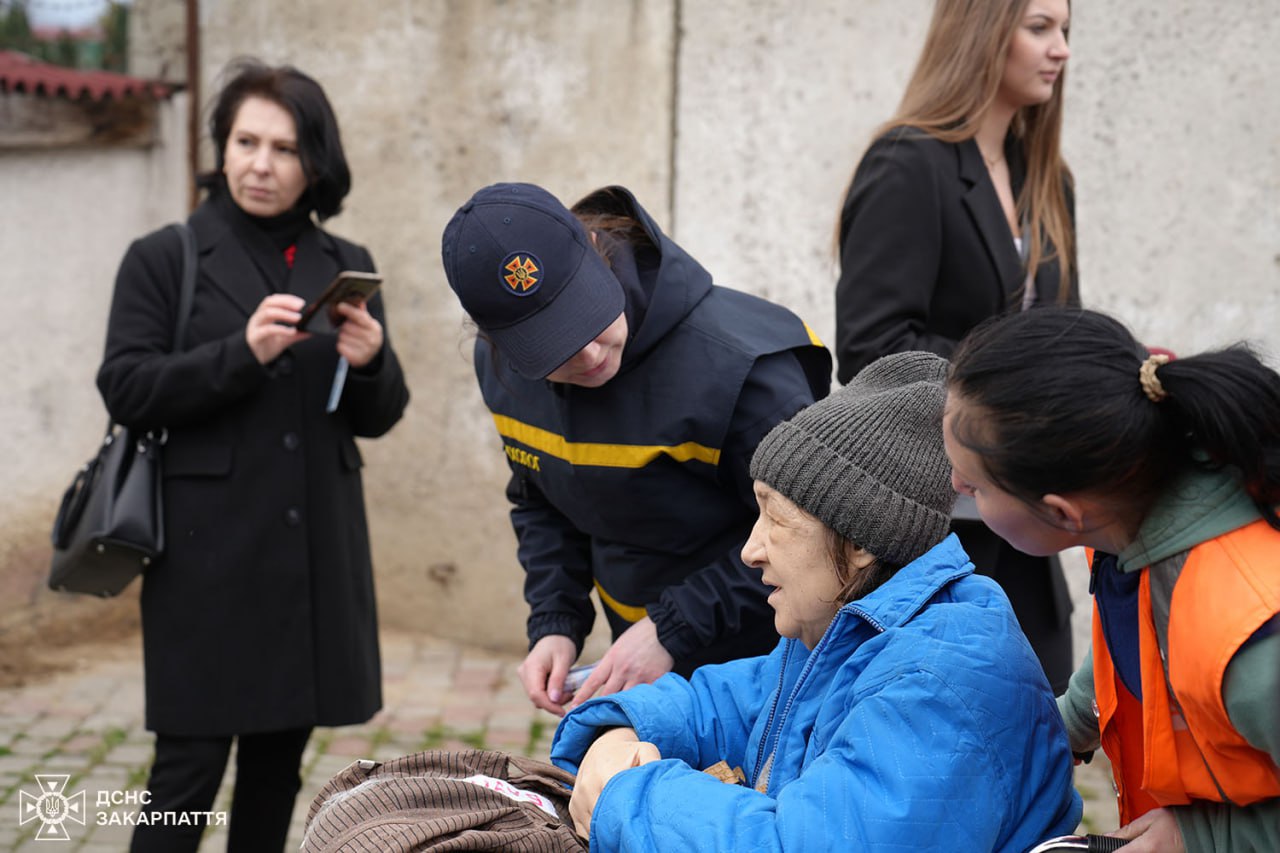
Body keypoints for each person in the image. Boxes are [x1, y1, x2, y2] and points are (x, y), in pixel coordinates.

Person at [550, 351, 1082, 851]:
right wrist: (619, 733)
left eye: (776, 519)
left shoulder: (936, 687)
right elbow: (725, 706)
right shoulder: (847, 625)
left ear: (861, 543)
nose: (750, 550)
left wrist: (628, 792)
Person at [96, 59, 409, 851]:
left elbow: (378, 416)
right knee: (186, 772)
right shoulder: (166, 256)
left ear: (316, 164)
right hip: (205, 562)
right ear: (222, 146)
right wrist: (241, 353)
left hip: (309, 561)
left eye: (284, 148)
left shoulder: (344, 258)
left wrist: (370, 361)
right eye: (245, 142)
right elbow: (125, 386)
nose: (260, 164)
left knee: (276, 771)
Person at [441, 182, 831, 716]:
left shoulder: (743, 372)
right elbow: (541, 498)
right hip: (646, 667)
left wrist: (672, 628)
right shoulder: (503, 370)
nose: (588, 353)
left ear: (595, 253)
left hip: (774, 667)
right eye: (552, 345)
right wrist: (555, 621)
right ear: (498, 340)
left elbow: (813, 534)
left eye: (585, 314)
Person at [944, 306, 1280, 852]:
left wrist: (1203, 836)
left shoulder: (1255, 635)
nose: (956, 485)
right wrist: (1069, 723)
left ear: (1061, 512)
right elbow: (1137, 649)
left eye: (975, 486)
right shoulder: (1129, 527)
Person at [833, 0, 1078, 694]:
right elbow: (871, 346)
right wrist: (1018, 383)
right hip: (935, 526)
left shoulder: (1048, 179)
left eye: (1065, 30)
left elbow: (1059, 331)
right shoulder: (909, 162)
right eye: (1040, 27)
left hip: (1025, 511)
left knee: (1042, 713)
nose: (1060, 49)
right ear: (981, 31)